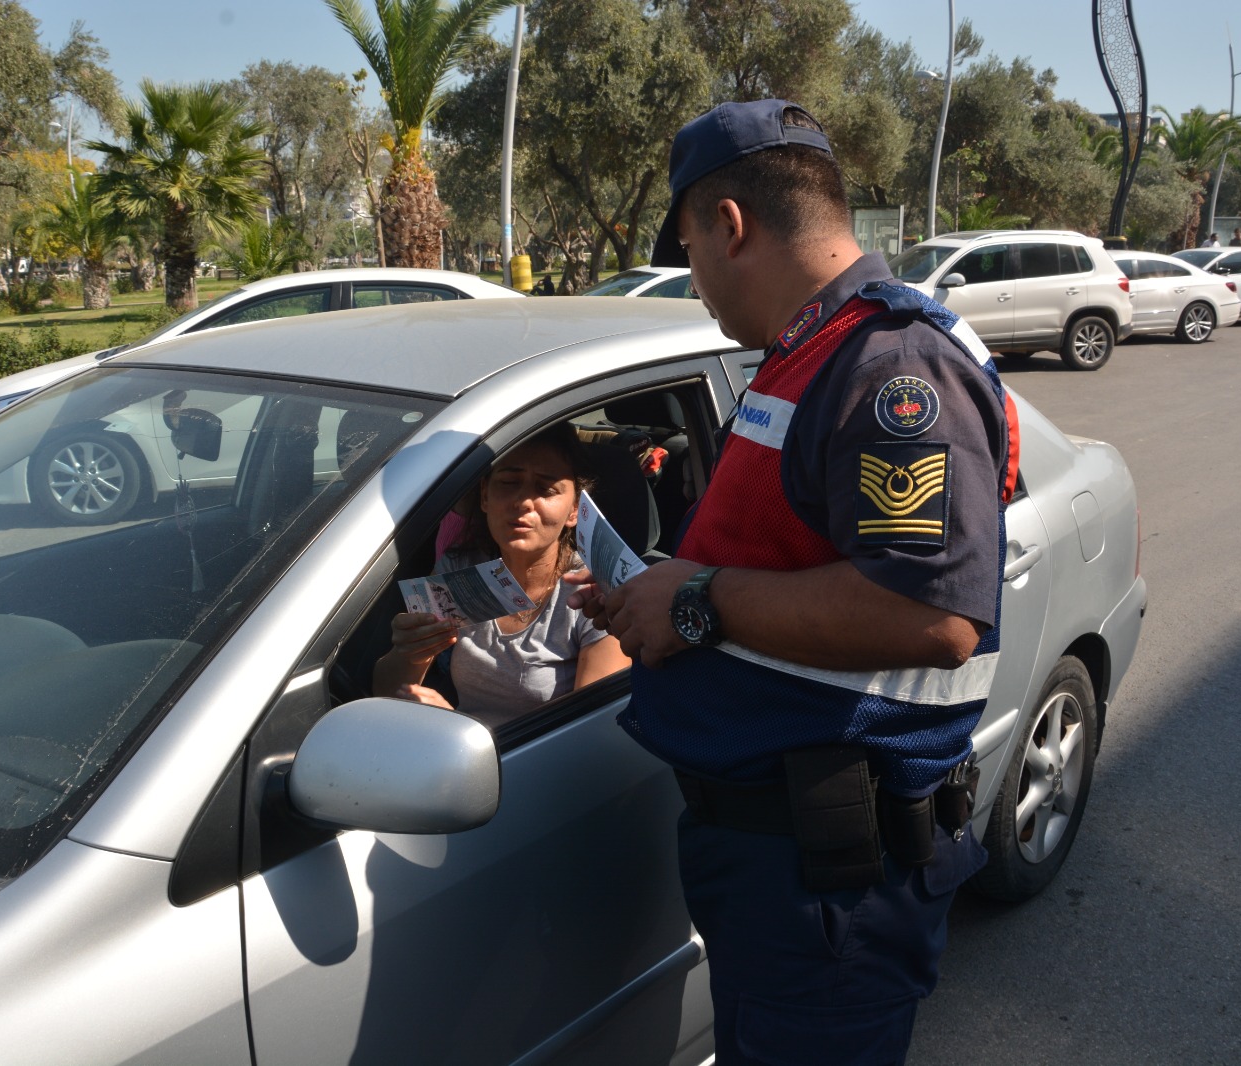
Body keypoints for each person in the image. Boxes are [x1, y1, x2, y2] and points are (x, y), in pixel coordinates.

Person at [567, 99, 1012, 1063]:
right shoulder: (809, 354)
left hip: (826, 878)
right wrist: (663, 590)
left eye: (688, 251)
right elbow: (782, 552)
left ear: (731, 227)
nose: (694, 282)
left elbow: (932, 615)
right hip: (780, 853)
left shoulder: (891, 365)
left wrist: (697, 600)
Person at [374, 423, 630, 726]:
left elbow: (588, 738)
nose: (522, 502)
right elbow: (387, 696)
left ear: (574, 510)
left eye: (546, 489)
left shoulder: (596, 593)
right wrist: (410, 653)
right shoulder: (459, 570)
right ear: (484, 496)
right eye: (509, 483)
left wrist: (455, 725)